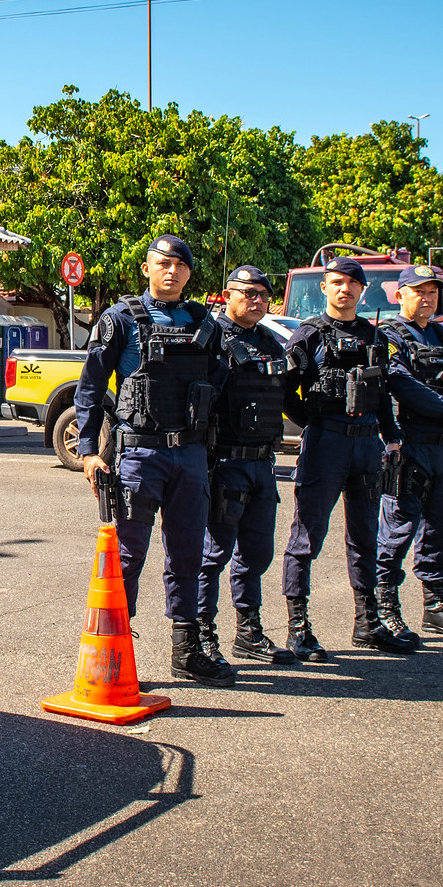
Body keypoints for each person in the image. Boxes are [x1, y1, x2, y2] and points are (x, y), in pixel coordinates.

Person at [73, 234, 233, 687]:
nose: (173, 271)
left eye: (181, 265)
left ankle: (187, 651)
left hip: (192, 455)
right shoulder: (120, 319)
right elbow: (90, 388)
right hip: (140, 454)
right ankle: (114, 655)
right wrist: (87, 451)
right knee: (127, 558)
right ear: (146, 269)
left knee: (188, 554)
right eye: (163, 263)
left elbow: (220, 383)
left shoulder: (206, 323)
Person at [279, 257, 443, 659]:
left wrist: (392, 438)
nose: (345, 289)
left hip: (367, 447)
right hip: (326, 445)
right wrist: (315, 423)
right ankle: (298, 627)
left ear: (362, 290)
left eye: (352, 283)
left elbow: (383, 392)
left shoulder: (374, 337)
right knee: (307, 537)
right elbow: (284, 392)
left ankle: (367, 623)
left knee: (365, 537)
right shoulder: (309, 335)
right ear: (324, 287)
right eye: (336, 282)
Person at [373, 263, 443, 641]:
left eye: (433, 291)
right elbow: (400, 382)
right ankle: (385, 606)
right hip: (410, 444)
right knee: (399, 528)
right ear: (399, 295)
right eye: (418, 290)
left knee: (442, 528)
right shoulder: (388, 336)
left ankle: (437, 607)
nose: (427, 297)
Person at [196, 264, 296, 667]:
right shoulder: (211, 338)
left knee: (257, 553)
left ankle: (248, 631)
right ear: (228, 294)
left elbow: (286, 398)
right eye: (247, 293)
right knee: (213, 554)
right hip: (223, 463)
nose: (255, 300)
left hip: (262, 464)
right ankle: (201, 632)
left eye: (262, 295)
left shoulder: (272, 342)